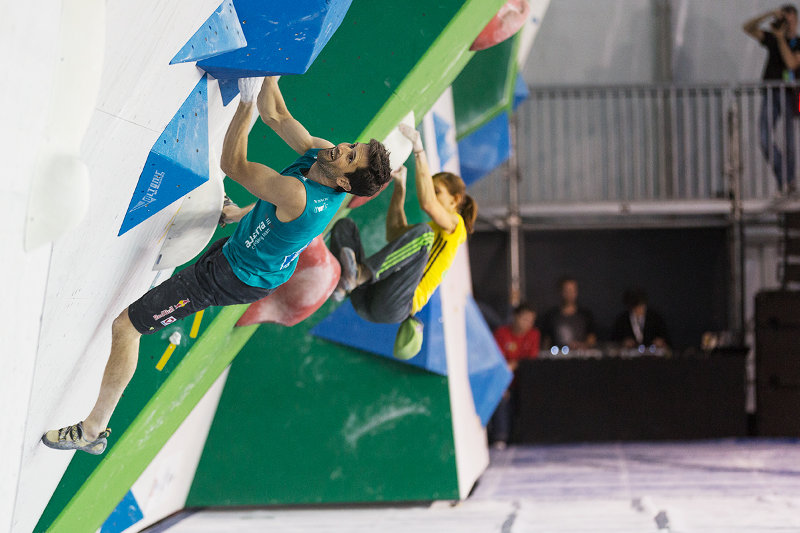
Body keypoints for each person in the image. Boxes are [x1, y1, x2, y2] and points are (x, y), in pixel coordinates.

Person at [42, 76, 391, 454]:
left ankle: (93, 432)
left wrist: (244, 101)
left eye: (350, 156)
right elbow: (276, 113)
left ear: (343, 179)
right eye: (352, 145)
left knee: (127, 326)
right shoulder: (324, 157)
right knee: (257, 217)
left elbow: (234, 164)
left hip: (233, 277)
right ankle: (234, 213)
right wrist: (266, 72)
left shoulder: (299, 196)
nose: (342, 147)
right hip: (253, 252)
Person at [328, 123, 477, 357]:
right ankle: (337, 280)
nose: (433, 197)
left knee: (423, 236)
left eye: (437, 191)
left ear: (455, 200)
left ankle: (358, 274)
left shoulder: (456, 228)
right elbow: (394, 232)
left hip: (395, 304)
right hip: (369, 300)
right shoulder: (427, 232)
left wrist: (419, 151)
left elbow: (427, 203)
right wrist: (400, 187)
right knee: (344, 227)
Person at [743, 4, 800, 194]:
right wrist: (768, 15)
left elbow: (792, 63)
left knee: (789, 140)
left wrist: (781, 39)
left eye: (790, 19)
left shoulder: (797, 42)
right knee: (764, 138)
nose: (787, 23)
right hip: (770, 91)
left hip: (791, 94)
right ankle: (784, 179)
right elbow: (747, 28)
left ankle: (789, 181)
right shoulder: (773, 39)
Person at [489, 302, 540, 449]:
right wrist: (501, 384)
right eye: (524, 319)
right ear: (515, 317)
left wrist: (515, 364)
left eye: (531, 320)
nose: (527, 324)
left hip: (525, 384)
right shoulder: (501, 334)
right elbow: (497, 363)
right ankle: (501, 437)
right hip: (504, 383)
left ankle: (528, 437)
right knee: (501, 397)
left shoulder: (534, 335)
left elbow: (530, 361)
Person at [538, 276, 597, 351]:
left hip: (582, 357)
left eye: (572, 290)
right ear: (560, 292)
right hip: (558, 358)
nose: (570, 294)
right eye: (566, 290)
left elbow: (592, 338)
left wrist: (582, 345)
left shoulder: (585, 314)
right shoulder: (551, 315)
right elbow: (546, 341)